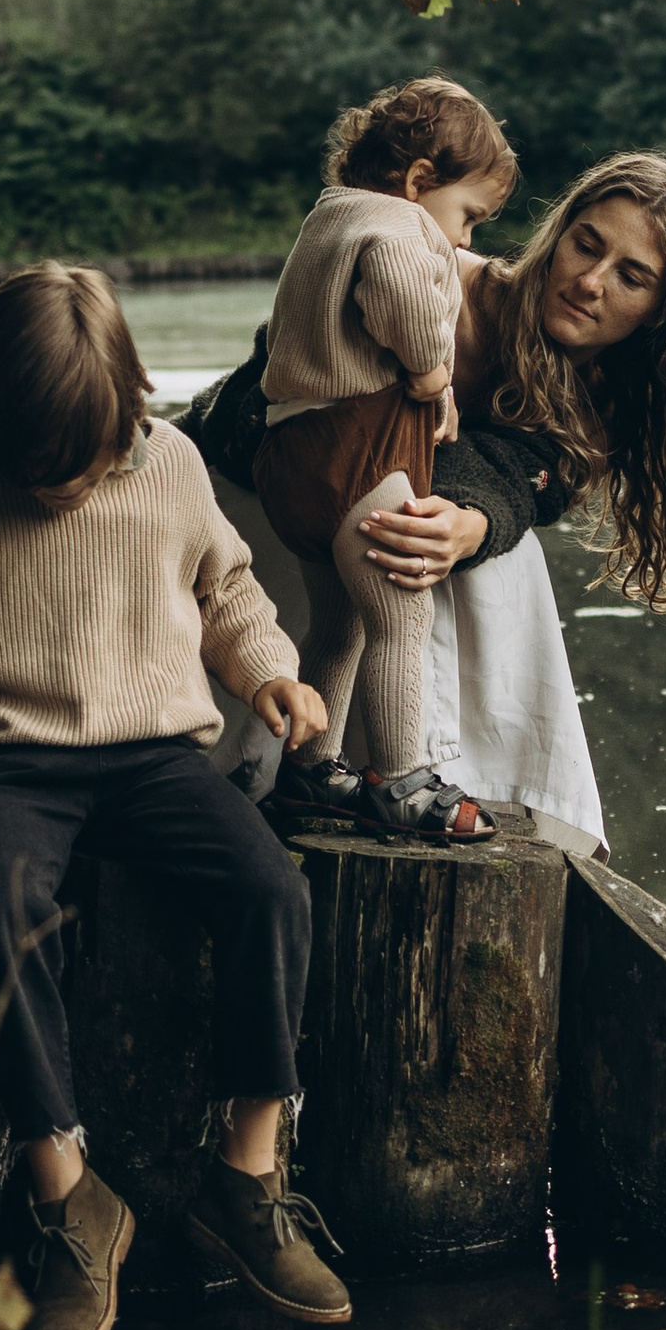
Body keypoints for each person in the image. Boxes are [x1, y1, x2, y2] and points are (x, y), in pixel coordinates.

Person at [0, 261, 352, 1330]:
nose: (65, 486)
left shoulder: (173, 467)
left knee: (271, 891)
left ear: (131, 410)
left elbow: (228, 590)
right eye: (36, 469)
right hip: (7, 766)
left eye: (89, 460)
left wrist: (267, 675)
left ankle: (247, 1171)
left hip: (156, 757)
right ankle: (69, 1190)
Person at [188, 152, 666, 846]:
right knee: (411, 540)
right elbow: (275, 392)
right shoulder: (436, 288)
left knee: (471, 549)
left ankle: (471, 784)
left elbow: (536, 472)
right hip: (252, 501)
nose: (591, 283)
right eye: (586, 245)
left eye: (631, 277)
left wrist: (473, 521)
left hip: (364, 536)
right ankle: (356, 773)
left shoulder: (613, 386)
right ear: (558, 232)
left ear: (663, 309)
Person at [251, 78, 518, 841]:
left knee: (340, 626)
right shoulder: (398, 226)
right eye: (467, 215)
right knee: (402, 617)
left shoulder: (325, 219)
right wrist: (433, 369)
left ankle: (310, 770)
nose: (464, 240)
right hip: (356, 454)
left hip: (293, 457)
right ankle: (403, 780)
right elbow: (400, 292)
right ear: (419, 180)